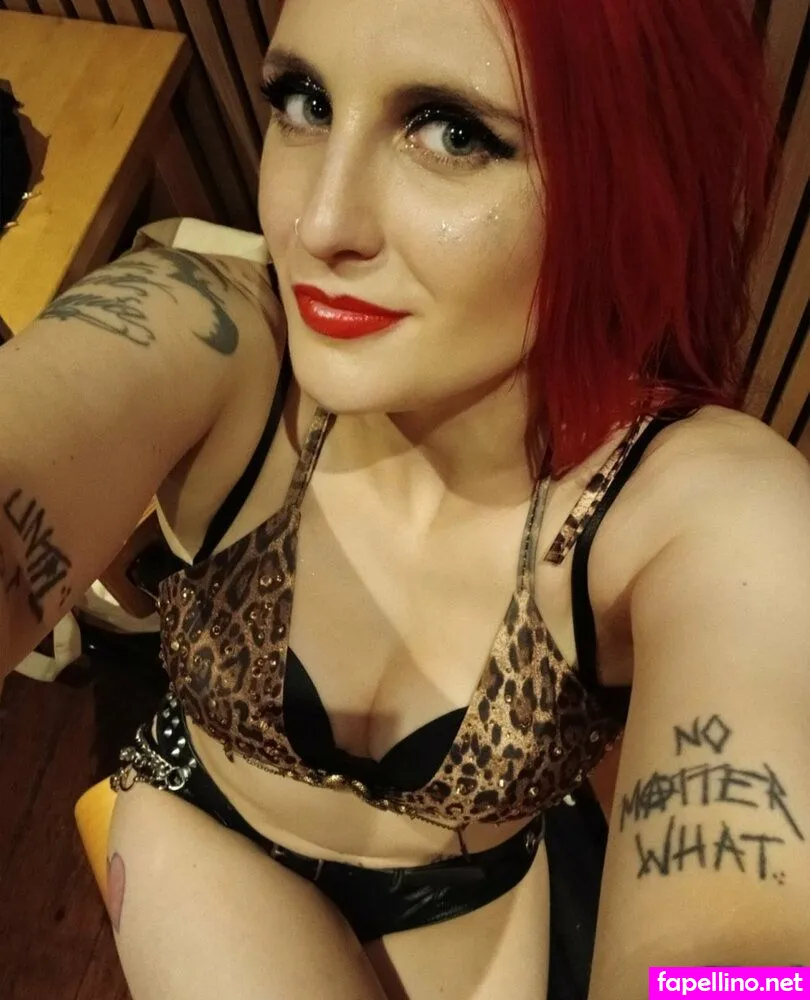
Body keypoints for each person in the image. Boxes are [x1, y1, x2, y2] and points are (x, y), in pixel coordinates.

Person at [1, 0, 808, 997]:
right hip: (202, 839)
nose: (317, 223)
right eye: (304, 102)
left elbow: (747, 950)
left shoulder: (706, 505)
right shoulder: (223, 341)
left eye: (453, 132)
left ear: (634, 180)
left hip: (465, 910)